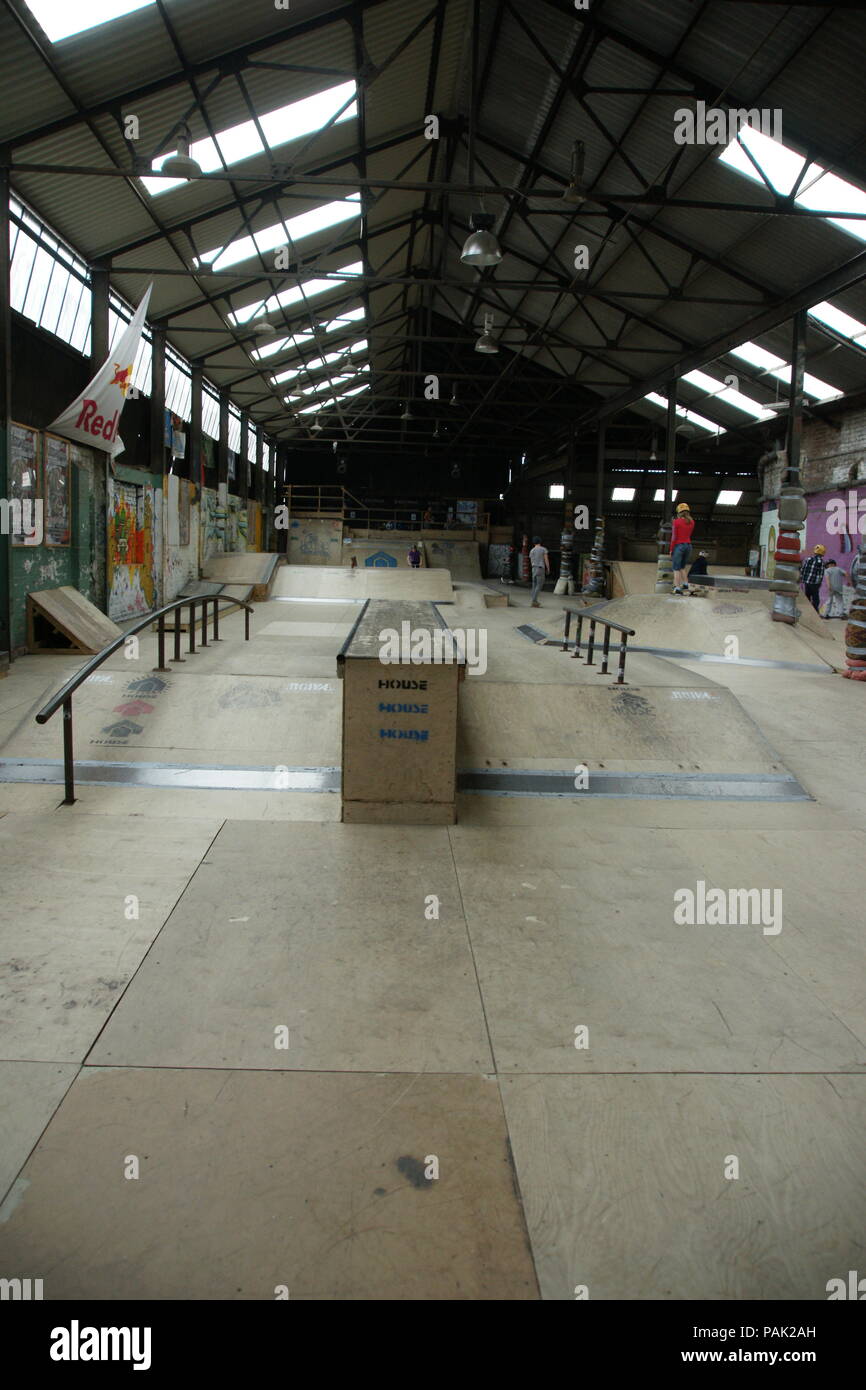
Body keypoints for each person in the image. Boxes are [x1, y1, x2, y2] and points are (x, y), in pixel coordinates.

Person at [670, 502, 695, 594]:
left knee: (676, 568)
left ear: (679, 512)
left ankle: (677, 588)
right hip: (688, 546)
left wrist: (671, 549)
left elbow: (674, 537)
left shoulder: (676, 522)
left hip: (679, 546)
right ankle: (686, 584)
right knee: (682, 567)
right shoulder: (692, 522)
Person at [800, 544, 826, 612]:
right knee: (815, 598)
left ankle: (807, 610)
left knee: (807, 596)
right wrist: (819, 583)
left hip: (807, 582)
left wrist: (802, 578)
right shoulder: (821, 562)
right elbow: (821, 574)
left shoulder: (808, 559)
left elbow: (803, 569)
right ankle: (815, 611)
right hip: (815, 583)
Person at [529, 535, 549, 607]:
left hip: (533, 568)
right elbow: (546, 560)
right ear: (540, 541)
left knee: (534, 585)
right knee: (539, 585)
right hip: (540, 569)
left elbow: (531, 561)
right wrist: (548, 568)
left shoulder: (532, 550)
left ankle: (534, 600)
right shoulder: (543, 549)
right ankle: (534, 601)